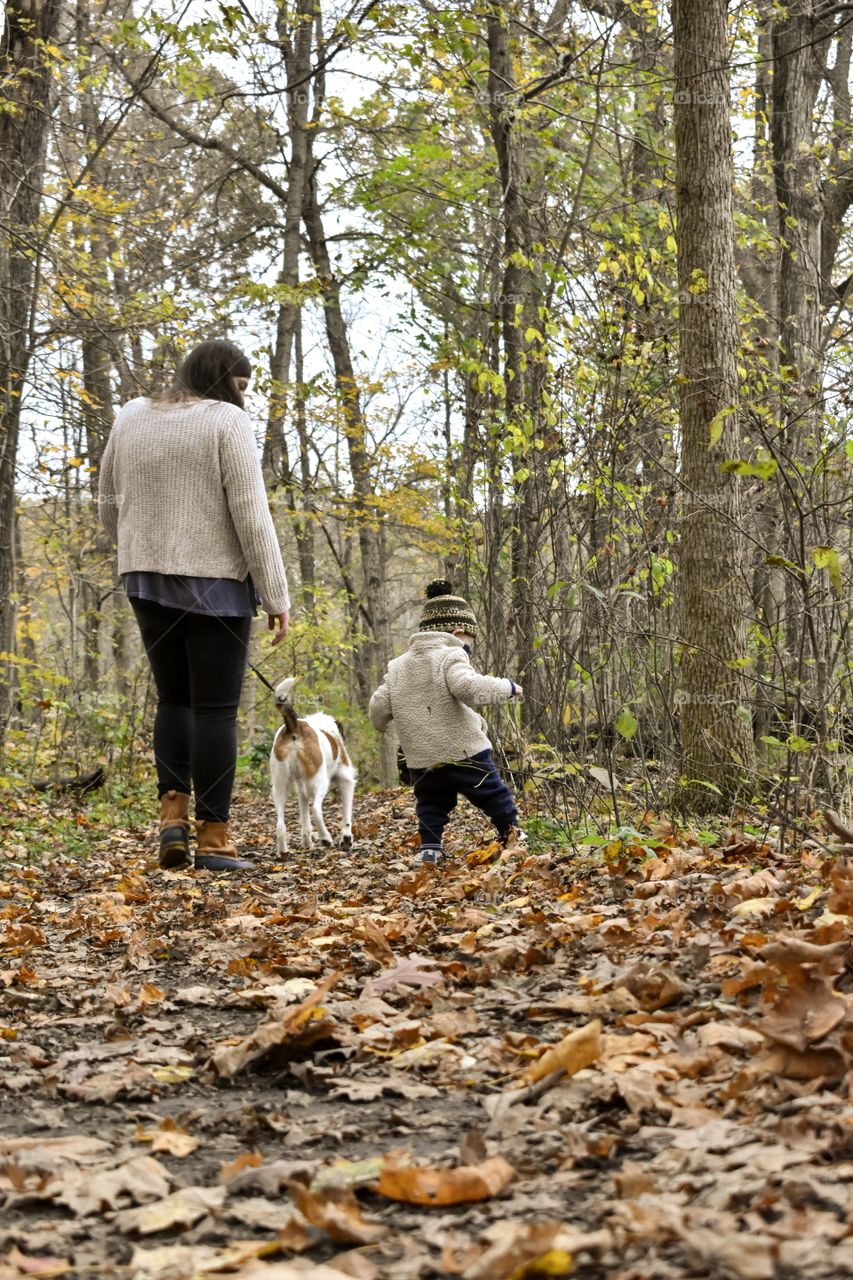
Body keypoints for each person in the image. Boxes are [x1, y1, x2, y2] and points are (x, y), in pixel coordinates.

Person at [97, 339, 290, 872]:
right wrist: (276, 594)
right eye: (241, 385)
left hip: (145, 578)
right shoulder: (226, 421)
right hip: (217, 584)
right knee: (215, 710)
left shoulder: (131, 414)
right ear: (223, 379)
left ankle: (171, 821)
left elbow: (105, 500)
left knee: (174, 701)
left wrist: (138, 548)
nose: (242, 396)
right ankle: (214, 839)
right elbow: (252, 515)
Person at [369, 579, 525, 865]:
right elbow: (467, 687)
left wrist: (381, 723)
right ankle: (512, 833)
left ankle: (430, 848)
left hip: (422, 756)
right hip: (463, 749)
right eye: (470, 644)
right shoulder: (452, 654)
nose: (469, 651)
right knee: (492, 793)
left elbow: (378, 707)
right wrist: (507, 687)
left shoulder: (399, 666)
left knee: (430, 803)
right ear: (457, 632)